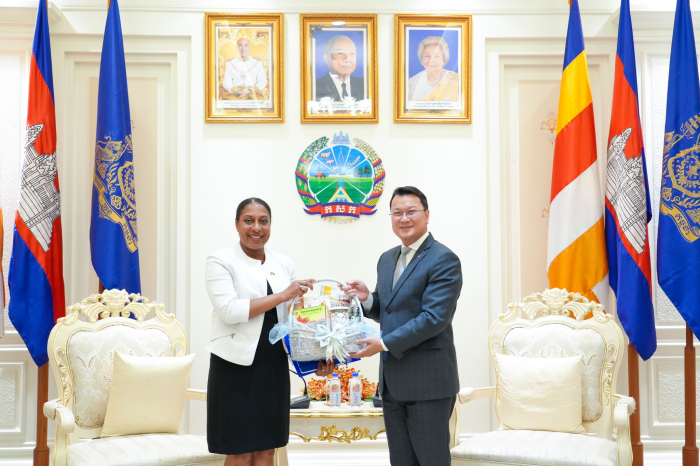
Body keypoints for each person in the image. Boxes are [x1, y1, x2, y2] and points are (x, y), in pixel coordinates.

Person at [205, 198, 333, 466]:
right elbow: (229, 310)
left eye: (263, 221)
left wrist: (320, 354)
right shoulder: (220, 260)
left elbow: (295, 319)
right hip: (234, 365)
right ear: (237, 224)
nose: (256, 227)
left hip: (273, 365)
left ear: (270, 225)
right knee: (240, 451)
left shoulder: (283, 263)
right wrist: (283, 295)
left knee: (266, 449)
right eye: (248, 221)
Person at [342, 186, 463, 466]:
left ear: (427, 215)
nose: (404, 219)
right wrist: (367, 298)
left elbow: (434, 318)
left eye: (411, 212)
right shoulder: (387, 258)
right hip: (393, 384)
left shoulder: (443, 259)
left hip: (428, 384)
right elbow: (389, 309)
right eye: (397, 213)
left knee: (431, 461)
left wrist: (383, 344)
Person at [408, 36, 459, 102]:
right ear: (422, 59)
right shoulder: (412, 83)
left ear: (443, 59)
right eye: (427, 56)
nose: (431, 60)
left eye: (436, 56)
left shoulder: (457, 80)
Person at [315, 35, 365, 101]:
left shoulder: (365, 85)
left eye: (352, 54)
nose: (347, 59)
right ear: (327, 58)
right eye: (340, 53)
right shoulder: (313, 87)